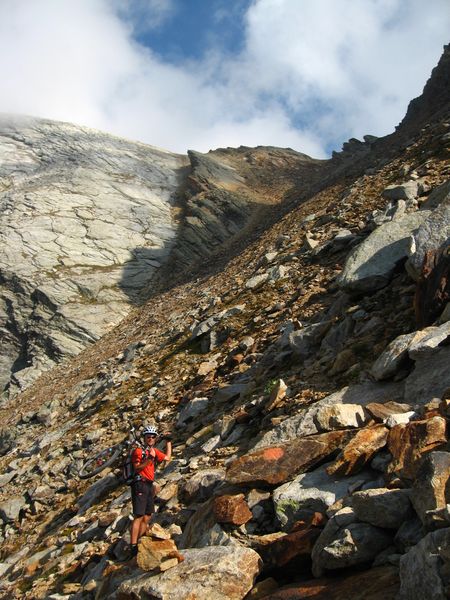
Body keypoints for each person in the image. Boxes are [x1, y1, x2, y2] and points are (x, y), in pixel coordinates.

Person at [129, 425, 172, 557]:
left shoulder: (153, 451)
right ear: (144, 438)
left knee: (147, 515)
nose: (151, 439)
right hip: (140, 483)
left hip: (148, 484)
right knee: (139, 516)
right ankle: (133, 545)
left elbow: (167, 458)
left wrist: (169, 442)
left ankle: (140, 540)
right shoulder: (139, 451)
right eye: (148, 437)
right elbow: (137, 468)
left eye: (153, 437)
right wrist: (149, 460)